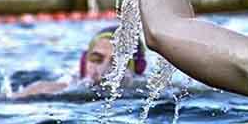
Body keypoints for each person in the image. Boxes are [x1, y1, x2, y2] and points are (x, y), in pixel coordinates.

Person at [10, 26, 146, 98]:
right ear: (83, 62)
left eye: (116, 63)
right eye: (96, 59)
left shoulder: (145, 92)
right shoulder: (45, 89)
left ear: (136, 69)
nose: (103, 70)